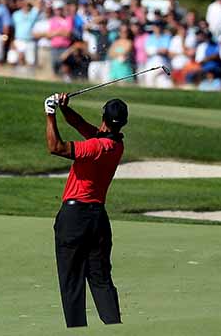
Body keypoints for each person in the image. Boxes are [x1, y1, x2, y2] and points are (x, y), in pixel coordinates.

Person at [44, 93, 126, 328]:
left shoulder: (94, 147)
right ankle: (114, 327)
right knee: (101, 279)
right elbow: (80, 125)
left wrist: (50, 114)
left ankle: (77, 330)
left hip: (74, 218)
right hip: (98, 219)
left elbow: (55, 147)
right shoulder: (116, 144)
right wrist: (64, 109)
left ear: (103, 117)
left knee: (71, 281)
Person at [11, 0, 41, 66]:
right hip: (19, 41)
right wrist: (13, 42)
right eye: (17, 0)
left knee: (30, 64)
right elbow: (13, 30)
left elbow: (38, 6)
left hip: (30, 41)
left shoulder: (33, 13)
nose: (19, 1)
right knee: (14, 61)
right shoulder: (15, 14)